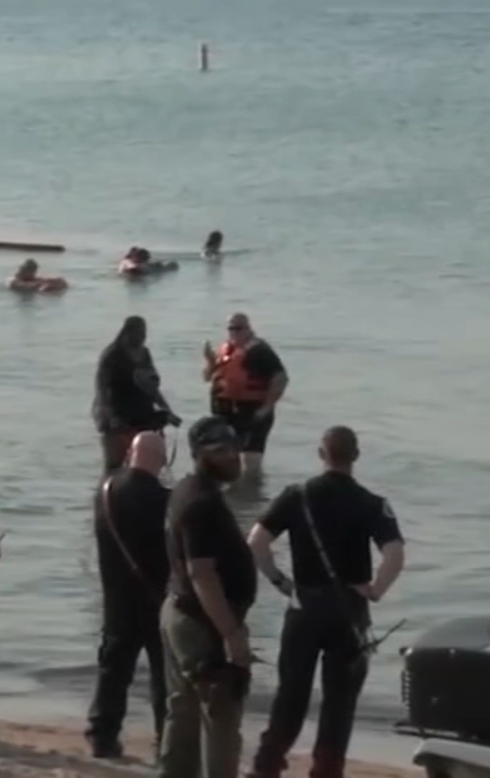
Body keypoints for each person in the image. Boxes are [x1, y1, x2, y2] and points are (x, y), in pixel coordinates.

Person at [246, 427, 406, 778]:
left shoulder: (297, 495)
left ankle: (267, 766)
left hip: (304, 606)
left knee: (291, 693)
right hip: (350, 608)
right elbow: (394, 553)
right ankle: (326, 770)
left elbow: (257, 541)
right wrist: (377, 588)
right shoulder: (371, 502)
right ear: (356, 456)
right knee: (341, 700)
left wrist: (279, 581)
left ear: (321, 454)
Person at [159, 416, 258, 778]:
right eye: (221, 450)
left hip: (181, 612)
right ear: (200, 454)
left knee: (182, 713)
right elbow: (202, 573)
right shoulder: (200, 502)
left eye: (234, 447)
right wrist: (232, 634)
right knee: (221, 720)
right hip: (202, 624)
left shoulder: (188, 490)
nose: (234, 456)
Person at [87, 431, 172, 759]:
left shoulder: (105, 492)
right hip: (155, 596)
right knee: (163, 673)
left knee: (113, 668)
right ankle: (166, 739)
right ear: (161, 460)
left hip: (115, 594)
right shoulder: (165, 500)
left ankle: (102, 736)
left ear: (129, 455)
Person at [202, 313, 289, 480]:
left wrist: (267, 407)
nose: (234, 332)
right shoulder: (227, 350)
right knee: (226, 458)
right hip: (226, 413)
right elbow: (207, 377)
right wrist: (210, 361)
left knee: (250, 462)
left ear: (249, 329)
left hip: (253, 413)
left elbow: (281, 378)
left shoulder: (260, 351)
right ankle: (237, 498)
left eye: (238, 328)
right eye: (230, 328)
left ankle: (253, 497)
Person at [94, 316, 180, 473]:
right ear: (126, 333)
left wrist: (168, 411)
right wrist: (111, 417)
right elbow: (102, 389)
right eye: (138, 333)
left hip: (141, 414)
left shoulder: (144, 354)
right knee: (114, 466)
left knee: (144, 464)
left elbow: (152, 387)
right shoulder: (112, 355)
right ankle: (106, 494)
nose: (142, 337)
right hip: (115, 416)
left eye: (144, 333)